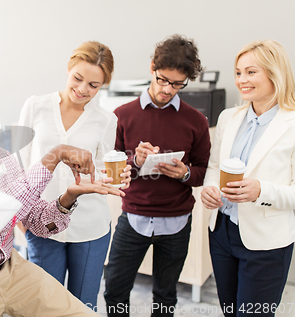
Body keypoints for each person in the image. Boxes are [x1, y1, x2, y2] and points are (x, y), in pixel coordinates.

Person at [0, 79, 125, 316]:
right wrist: (54, 155)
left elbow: (38, 222)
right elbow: (0, 215)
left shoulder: (1, 158)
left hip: (13, 269)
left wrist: (68, 197)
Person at [104, 34, 211, 317]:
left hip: (177, 222)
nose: (167, 89)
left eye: (177, 84)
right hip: (133, 217)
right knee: (114, 289)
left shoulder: (196, 121)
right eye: (163, 79)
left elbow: (202, 172)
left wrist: (184, 172)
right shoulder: (122, 115)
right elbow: (110, 167)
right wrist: (135, 160)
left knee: (165, 295)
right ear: (153, 67)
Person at [18, 41, 131, 308]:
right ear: (69, 68)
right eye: (77, 78)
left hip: (90, 225)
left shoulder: (106, 119)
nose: (82, 90)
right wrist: (20, 216)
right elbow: (20, 164)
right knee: (45, 305)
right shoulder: (36, 106)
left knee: (83, 305)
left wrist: (118, 176)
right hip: (42, 224)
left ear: (103, 85)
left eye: (93, 85)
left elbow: (102, 169)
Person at [201, 40, 295, 317]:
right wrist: (208, 188)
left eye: (251, 72)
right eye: (239, 72)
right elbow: (214, 167)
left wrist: (260, 191)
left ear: (274, 73)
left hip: (266, 243)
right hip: (221, 232)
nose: (242, 80)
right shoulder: (229, 117)